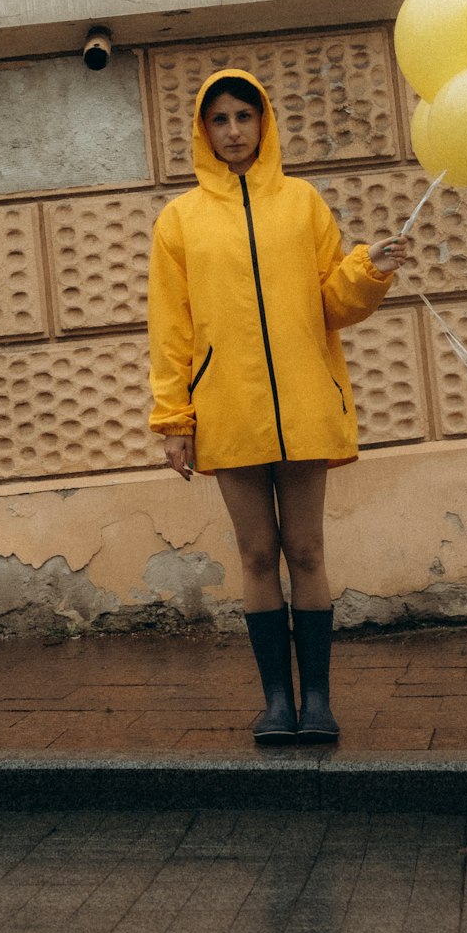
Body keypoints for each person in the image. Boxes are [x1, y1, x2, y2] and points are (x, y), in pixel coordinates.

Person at [147, 69, 409, 745]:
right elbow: (170, 328)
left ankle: (317, 700)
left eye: (243, 116)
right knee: (258, 555)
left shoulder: (302, 204)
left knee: (308, 548)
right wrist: (174, 420)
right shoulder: (179, 221)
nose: (233, 131)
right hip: (228, 409)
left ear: (264, 122)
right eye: (220, 120)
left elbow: (333, 302)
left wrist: (368, 269)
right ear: (203, 132)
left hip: (303, 402)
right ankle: (275, 703)